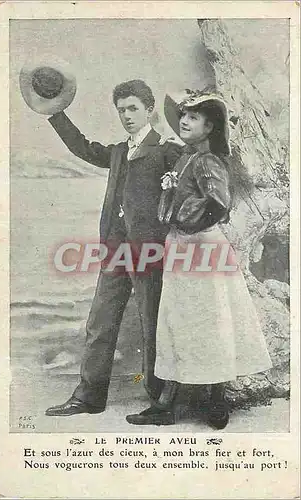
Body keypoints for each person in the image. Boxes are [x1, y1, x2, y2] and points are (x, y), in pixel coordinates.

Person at [126, 89, 272, 429]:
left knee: (207, 318)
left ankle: (214, 400)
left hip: (200, 246)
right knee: (180, 318)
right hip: (182, 245)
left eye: (194, 117)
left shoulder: (206, 160)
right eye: (183, 116)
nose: (185, 121)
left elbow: (219, 204)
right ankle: (172, 401)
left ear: (210, 126)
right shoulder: (186, 157)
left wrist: (188, 223)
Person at [43, 79, 182, 416]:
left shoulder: (168, 150)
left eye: (133, 108)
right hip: (115, 249)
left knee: (152, 325)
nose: (126, 116)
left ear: (148, 110)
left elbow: (187, 190)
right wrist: (55, 114)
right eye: (121, 110)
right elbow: (83, 148)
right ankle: (89, 397)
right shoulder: (119, 151)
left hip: (150, 252)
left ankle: (160, 401)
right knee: (100, 321)